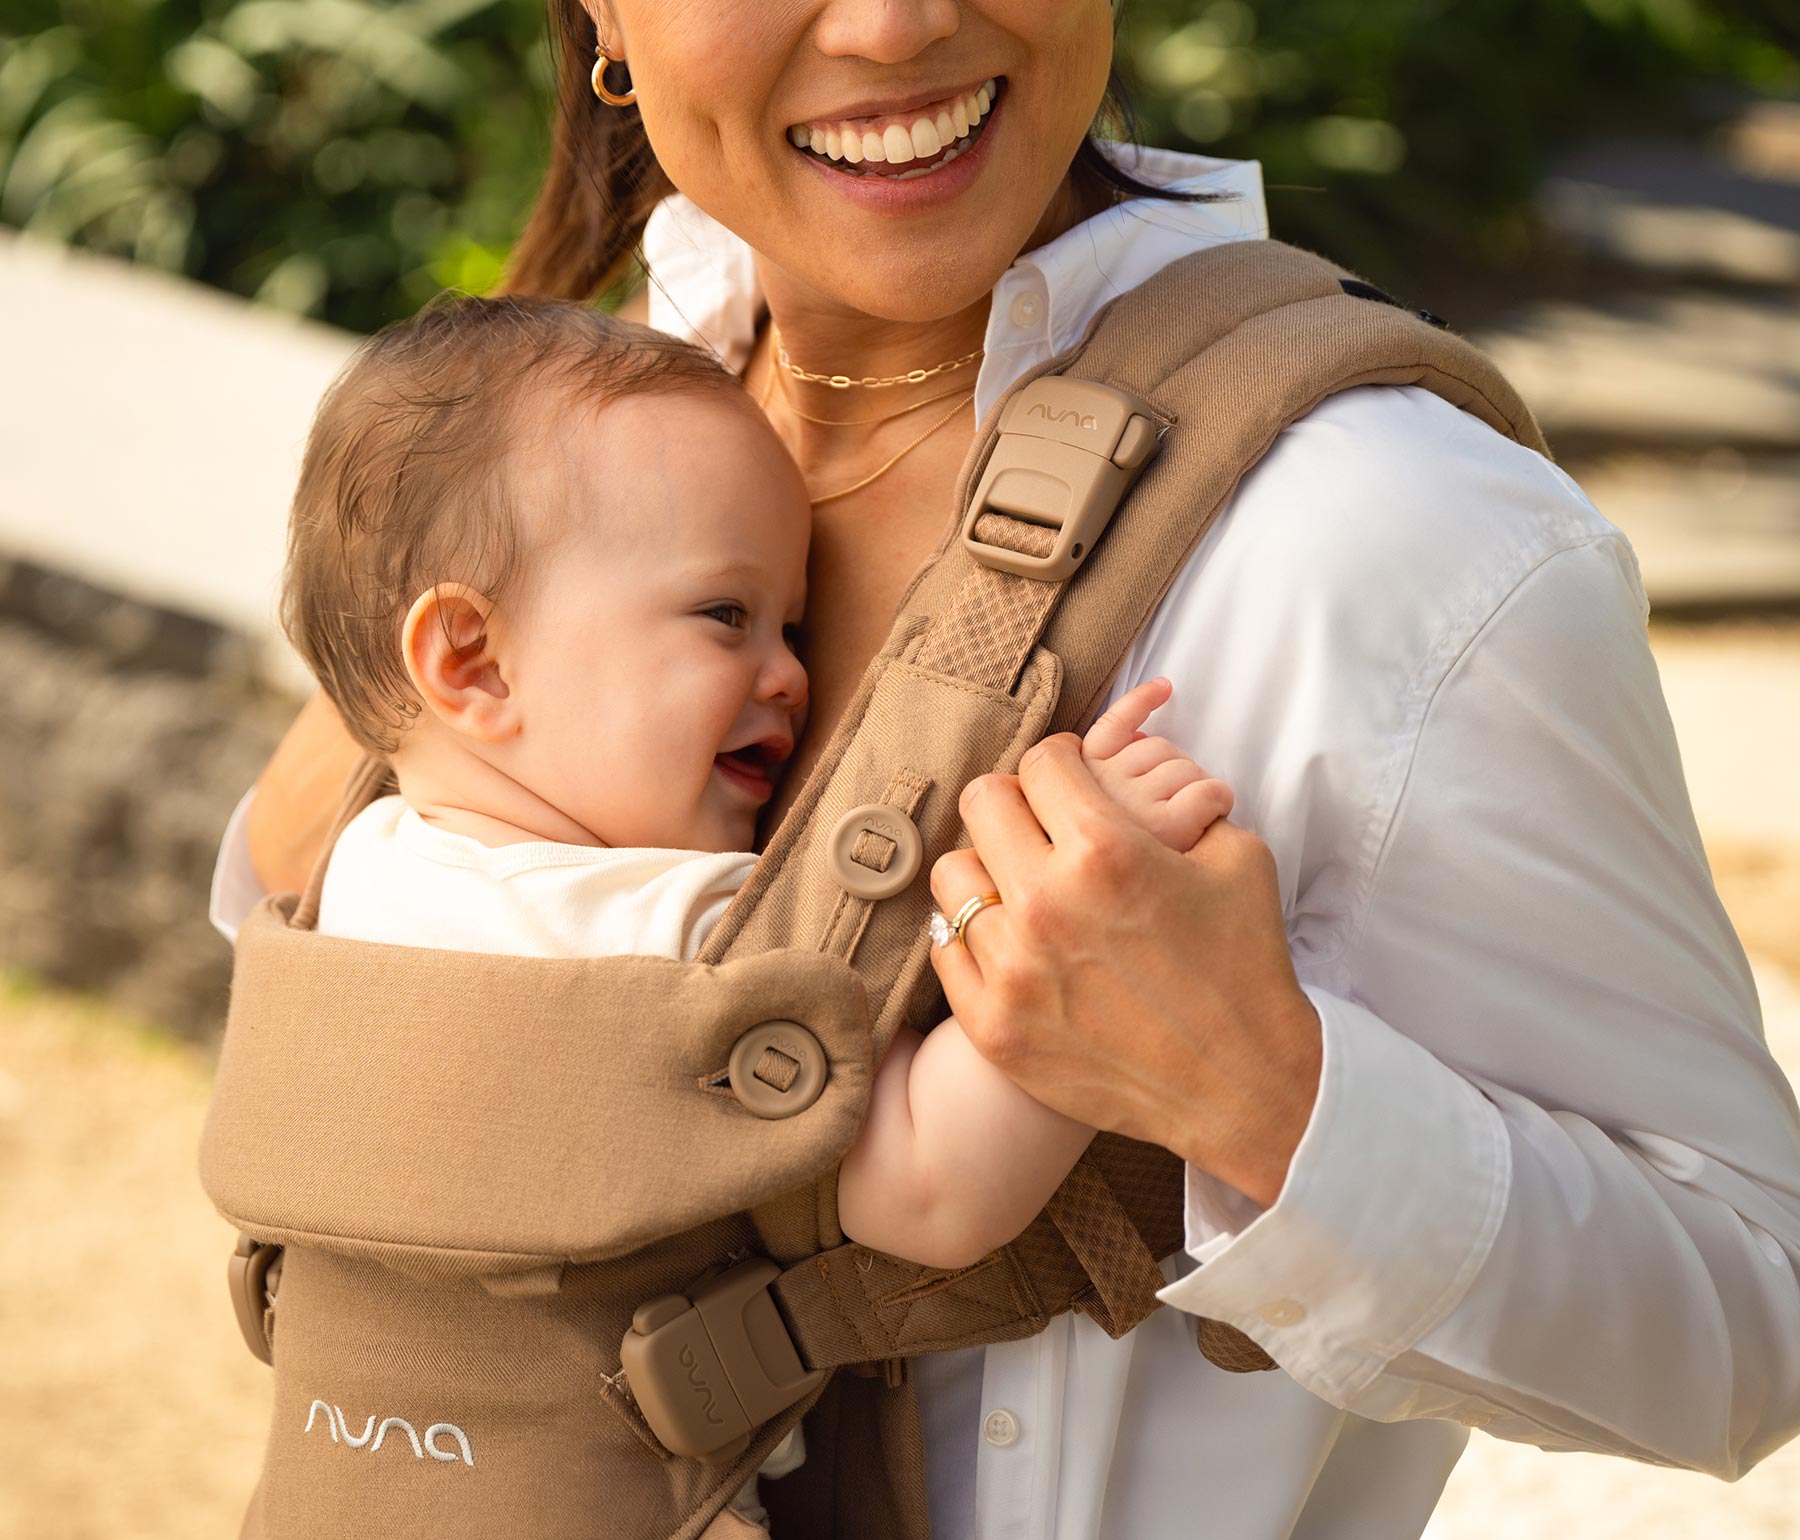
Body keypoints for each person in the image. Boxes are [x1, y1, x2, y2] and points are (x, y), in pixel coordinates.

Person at [213, 1, 1800, 1534]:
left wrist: (1267, 1094)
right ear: (602, 18)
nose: (894, 25)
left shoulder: (1388, 537)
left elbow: (1753, 1318)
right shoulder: (561, 430)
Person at [269, 290, 1238, 1532]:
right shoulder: (672, 936)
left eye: (793, 619)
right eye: (725, 614)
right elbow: (935, 1189)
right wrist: (1063, 902)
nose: (791, 670)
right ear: (473, 660)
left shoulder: (357, 876)